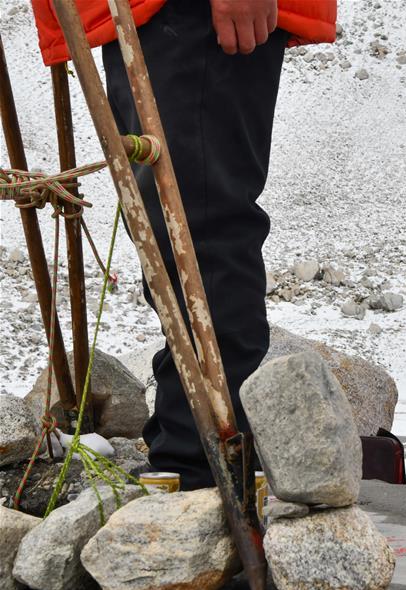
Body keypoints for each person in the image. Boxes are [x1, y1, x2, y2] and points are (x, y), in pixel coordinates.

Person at [31, 0, 336, 489]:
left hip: (186, 11)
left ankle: (202, 470)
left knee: (197, 228)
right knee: (172, 237)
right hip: (134, 14)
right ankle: (189, 448)